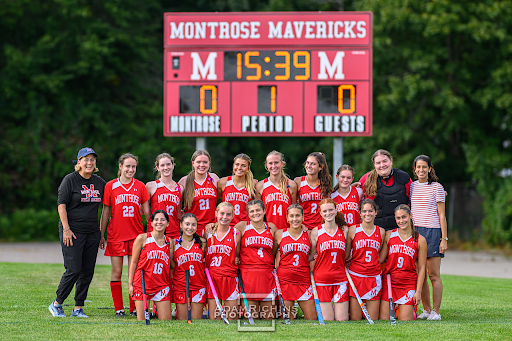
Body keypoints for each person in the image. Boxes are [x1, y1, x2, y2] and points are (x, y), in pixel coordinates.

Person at [49, 147, 106, 318]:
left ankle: (78, 308)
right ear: (79, 162)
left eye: (92, 159)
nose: (89, 162)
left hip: (92, 232)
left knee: (87, 271)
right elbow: (61, 205)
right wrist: (66, 229)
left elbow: (108, 206)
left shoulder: (99, 183)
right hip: (72, 232)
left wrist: (101, 234)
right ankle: (57, 304)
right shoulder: (70, 180)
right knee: (73, 269)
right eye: (85, 159)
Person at [100, 153, 151, 317]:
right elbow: (105, 212)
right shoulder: (110, 186)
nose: (130, 169)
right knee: (116, 272)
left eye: (133, 166)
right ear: (120, 166)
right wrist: (101, 234)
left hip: (136, 235)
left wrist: (151, 234)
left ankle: (133, 307)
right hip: (116, 235)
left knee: (134, 272)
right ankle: (118, 309)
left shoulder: (140, 186)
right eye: (127, 166)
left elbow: (147, 212)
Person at [410, 155, 448, 320]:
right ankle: (425, 310)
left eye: (424, 167)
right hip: (416, 232)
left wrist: (444, 239)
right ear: (415, 169)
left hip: (432, 231)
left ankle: (436, 312)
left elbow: (442, 215)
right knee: (421, 274)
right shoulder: (411, 187)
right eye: (418, 167)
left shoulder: (437, 187)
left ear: (430, 168)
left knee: (433, 275)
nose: (421, 170)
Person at [379, 205, 427, 321]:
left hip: (408, 284)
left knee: (405, 321)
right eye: (398, 218)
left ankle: (410, 310)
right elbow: (380, 260)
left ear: (410, 216)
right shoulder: (389, 235)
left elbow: (421, 268)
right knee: (384, 320)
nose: (401, 221)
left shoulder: (420, 240)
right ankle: (400, 309)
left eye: (404, 217)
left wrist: (418, 292)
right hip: (390, 283)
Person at [235, 200, 278, 319]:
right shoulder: (242, 226)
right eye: (252, 211)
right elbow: (232, 242)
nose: (255, 213)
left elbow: (274, 250)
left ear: (264, 211)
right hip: (248, 276)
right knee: (251, 317)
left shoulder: (272, 227)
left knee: (269, 317)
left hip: (266, 275)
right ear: (248, 214)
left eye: (258, 210)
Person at [128, 210, 173, 320]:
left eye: (163, 220)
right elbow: (133, 262)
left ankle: (158, 309)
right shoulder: (142, 238)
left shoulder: (170, 242)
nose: (159, 222)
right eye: (156, 220)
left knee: (166, 320)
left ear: (167, 223)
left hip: (161, 285)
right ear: (151, 223)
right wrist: (130, 284)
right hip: (143, 284)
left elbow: (170, 266)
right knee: (142, 320)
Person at [274, 204, 317, 320]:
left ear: (303, 217)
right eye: (291, 216)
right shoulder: (279, 234)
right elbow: (272, 254)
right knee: (288, 318)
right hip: (285, 280)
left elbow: (312, 256)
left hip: (303, 279)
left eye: (297, 216)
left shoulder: (309, 234)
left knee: (312, 318)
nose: (294, 219)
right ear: (287, 218)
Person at [345, 199, 385, 321]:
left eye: (370, 211)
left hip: (373, 277)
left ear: (375, 212)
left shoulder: (381, 231)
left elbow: (381, 257)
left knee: (373, 318)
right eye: (364, 211)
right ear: (360, 213)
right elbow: (346, 255)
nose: (367, 214)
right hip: (356, 277)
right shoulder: (353, 230)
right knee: (356, 319)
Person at [310, 198, 349, 321]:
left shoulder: (344, 230)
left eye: (331, 210)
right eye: (325, 211)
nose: (328, 213)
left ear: (336, 210)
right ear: (321, 213)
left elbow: (346, 255)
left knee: (342, 320)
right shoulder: (316, 231)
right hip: (322, 280)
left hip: (340, 279)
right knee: (328, 320)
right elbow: (311, 256)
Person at [358, 150, 412, 231]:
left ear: (391, 161)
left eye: (384, 161)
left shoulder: (403, 178)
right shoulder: (366, 180)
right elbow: (354, 202)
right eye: (378, 163)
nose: (382, 165)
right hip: (376, 232)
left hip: (401, 231)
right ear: (374, 165)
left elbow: (415, 202)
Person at [205, 202, 241, 320]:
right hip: (212, 278)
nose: (224, 217)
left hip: (229, 278)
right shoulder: (207, 232)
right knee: (214, 318)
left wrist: (236, 260)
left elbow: (237, 255)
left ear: (233, 216)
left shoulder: (236, 233)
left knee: (232, 318)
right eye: (222, 213)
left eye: (228, 214)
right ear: (216, 214)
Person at [171, 213, 207, 320]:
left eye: (193, 225)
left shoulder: (202, 242)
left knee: (196, 319)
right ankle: (177, 309)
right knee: (183, 320)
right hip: (180, 285)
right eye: (187, 224)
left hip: (198, 285)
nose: (190, 228)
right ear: (181, 225)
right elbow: (172, 265)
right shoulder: (174, 242)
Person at [179, 150, 219, 237]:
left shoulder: (214, 178)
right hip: (192, 228)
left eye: (205, 162)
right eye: (198, 162)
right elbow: (176, 206)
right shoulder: (185, 181)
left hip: (211, 227)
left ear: (209, 163)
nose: (202, 165)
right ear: (193, 163)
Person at [256, 150, 297, 229]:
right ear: (266, 166)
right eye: (270, 163)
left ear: (282, 164)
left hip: (287, 230)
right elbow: (258, 213)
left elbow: (295, 210)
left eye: (276, 163)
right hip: (268, 231)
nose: (273, 166)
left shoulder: (292, 185)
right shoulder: (260, 186)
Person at [146, 153, 182, 239]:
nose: (166, 168)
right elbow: (144, 211)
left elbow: (178, 213)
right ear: (158, 168)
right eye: (162, 165)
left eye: (168, 164)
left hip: (174, 232)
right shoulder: (151, 186)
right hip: (155, 232)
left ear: (173, 166)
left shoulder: (180, 188)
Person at [217, 153, 258, 227]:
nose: (239, 168)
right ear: (233, 166)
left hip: (244, 226)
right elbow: (213, 202)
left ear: (248, 168)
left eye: (243, 166)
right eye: (237, 164)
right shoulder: (223, 182)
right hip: (226, 225)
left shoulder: (253, 184)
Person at [295, 152, 332, 229]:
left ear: (320, 167)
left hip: (321, 227)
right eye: (307, 163)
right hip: (303, 227)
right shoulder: (298, 181)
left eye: (313, 164)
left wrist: (350, 187)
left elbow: (334, 194)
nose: (309, 166)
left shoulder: (326, 182)